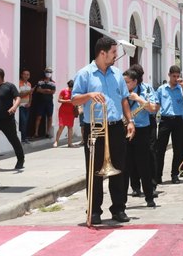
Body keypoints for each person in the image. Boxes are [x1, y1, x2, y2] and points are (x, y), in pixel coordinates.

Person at [72, 36, 136, 225]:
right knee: (94, 170)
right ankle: (94, 210)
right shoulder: (85, 74)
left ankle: (118, 208)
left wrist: (130, 120)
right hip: (95, 127)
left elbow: (124, 98)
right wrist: (89, 95)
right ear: (103, 53)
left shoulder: (117, 74)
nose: (116, 55)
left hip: (116, 127)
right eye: (114, 52)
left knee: (118, 169)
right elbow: (74, 99)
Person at [123, 68, 159, 208]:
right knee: (125, 166)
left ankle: (149, 197)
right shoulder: (121, 90)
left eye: (127, 82)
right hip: (125, 128)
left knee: (144, 165)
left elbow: (153, 108)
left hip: (142, 129)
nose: (124, 84)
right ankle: (122, 202)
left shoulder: (146, 89)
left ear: (134, 81)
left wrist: (138, 99)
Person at [154, 65, 183, 185]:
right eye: (173, 76)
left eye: (177, 76)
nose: (175, 78)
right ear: (169, 75)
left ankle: (175, 174)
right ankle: (157, 175)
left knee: (178, 149)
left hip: (178, 120)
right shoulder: (161, 89)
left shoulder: (182, 88)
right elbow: (156, 105)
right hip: (165, 120)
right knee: (160, 149)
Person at [0, 68, 24, 171]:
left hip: (7, 119)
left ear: (0, 77)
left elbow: (18, 98)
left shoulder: (9, 86)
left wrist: (14, 107)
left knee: (13, 140)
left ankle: (21, 159)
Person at [32, 67, 56, 138]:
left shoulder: (53, 83)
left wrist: (44, 90)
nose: (48, 73)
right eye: (47, 72)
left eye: (50, 72)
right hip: (40, 102)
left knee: (50, 117)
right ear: (45, 72)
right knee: (39, 117)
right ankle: (36, 133)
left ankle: (48, 132)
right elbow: (38, 90)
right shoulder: (40, 81)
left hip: (49, 103)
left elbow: (53, 91)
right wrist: (47, 90)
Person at [53, 79, 76, 148]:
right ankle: (56, 141)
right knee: (61, 126)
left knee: (70, 127)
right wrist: (67, 101)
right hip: (63, 111)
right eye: (71, 88)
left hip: (71, 111)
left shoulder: (75, 92)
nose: (72, 89)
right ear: (69, 86)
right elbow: (59, 100)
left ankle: (70, 143)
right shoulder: (63, 91)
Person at [18, 69, 32, 144]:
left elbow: (30, 95)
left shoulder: (29, 84)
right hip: (20, 106)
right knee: (23, 122)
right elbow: (19, 95)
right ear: (21, 75)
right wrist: (28, 92)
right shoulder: (19, 83)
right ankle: (23, 138)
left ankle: (24, 137)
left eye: (28, 74)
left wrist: (30, 103)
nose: (26, 76)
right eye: (24, 74)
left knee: (26, 122)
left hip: (27, 106)